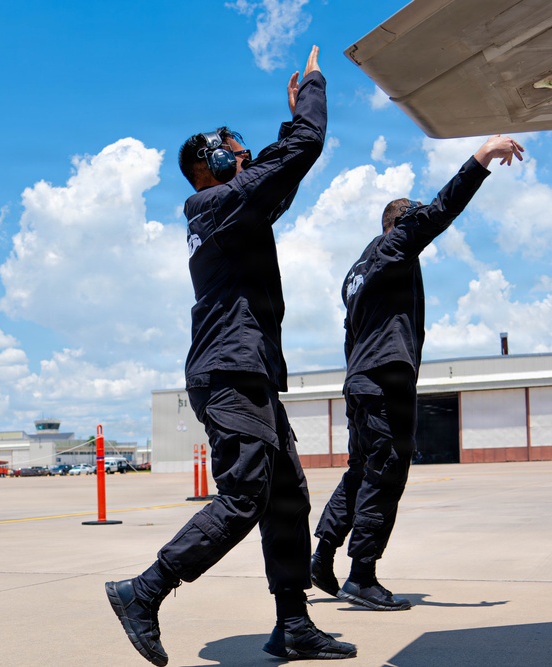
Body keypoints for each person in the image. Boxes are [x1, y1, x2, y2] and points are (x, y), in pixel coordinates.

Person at [105, 45, 355, 665]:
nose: (238, 150)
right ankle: (144, 590)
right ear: (207, 164)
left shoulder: (232, 209)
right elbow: (301, 151)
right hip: (229, 370)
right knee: (245, 494)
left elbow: (280, 181)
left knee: (288, 493)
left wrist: (286, 133)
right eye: (228, 146)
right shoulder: (214, 204)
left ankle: (293, 623)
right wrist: (312, 95)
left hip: (248, 371)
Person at [310, 135, 525, 610]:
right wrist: (483, 157)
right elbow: (441, 211)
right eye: (414, 224)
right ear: (401, 226)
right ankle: (361, 576)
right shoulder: (396, 246)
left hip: (359, 380)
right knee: (385, 474)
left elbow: (351, 335)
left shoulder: (357, 271)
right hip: (385, 381)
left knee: (359, 470)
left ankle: (323, 553)